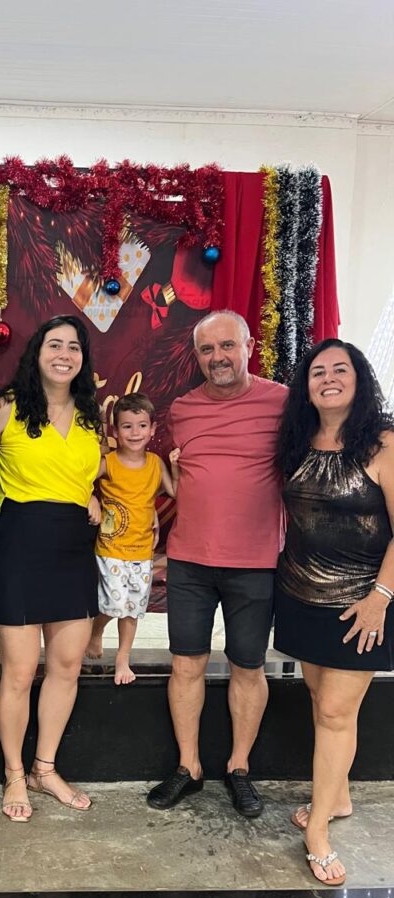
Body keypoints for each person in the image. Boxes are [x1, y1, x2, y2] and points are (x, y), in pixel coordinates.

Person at [147, 310, 287, 817]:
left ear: (248, 346)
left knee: (248, 667)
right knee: (185, 665)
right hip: (189, 562)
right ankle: (188, 767)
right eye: (207, 349)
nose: (218, 357)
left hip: (256, 562)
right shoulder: (182, 410)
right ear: (197, 356)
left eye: (227, 346)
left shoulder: (283, 402)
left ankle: (239, 768)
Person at [274, 339, 394, 885]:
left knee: (335, 713)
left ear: (359, 379)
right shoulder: (298, 441)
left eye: (339, 369)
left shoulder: (383, 444)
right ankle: (338, 796)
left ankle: (318, 831)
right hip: (300, 596)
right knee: (320, 700)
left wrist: (380, 598)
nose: (328, 379)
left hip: (360, 606)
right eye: (317, 372)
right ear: (306, 387)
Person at [0, 314, 102, 822]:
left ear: (83, 359)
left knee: (66, 666)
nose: (64, 354)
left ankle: (44, 768)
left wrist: (92, 495)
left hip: (73, 546)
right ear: (37, 352)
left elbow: (84, 473)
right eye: (55, 344)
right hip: (18, 543)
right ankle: (14, 773)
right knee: (19, 670)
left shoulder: (93, 416)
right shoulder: (4, 408)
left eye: (74, 347)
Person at [86, 392, 178, 684]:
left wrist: (175, 466)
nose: (135, 433)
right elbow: (79, 481)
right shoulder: (108, 462)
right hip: (111, 548)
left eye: (141, 426)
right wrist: (91, 498)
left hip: (142, 551)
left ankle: (122, 657)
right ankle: (97, 630)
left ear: (152, 429)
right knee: (114, 603)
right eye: (127, 426)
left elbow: (175, 492)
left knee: (133, 608)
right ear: (115, 431)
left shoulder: (155, 463)